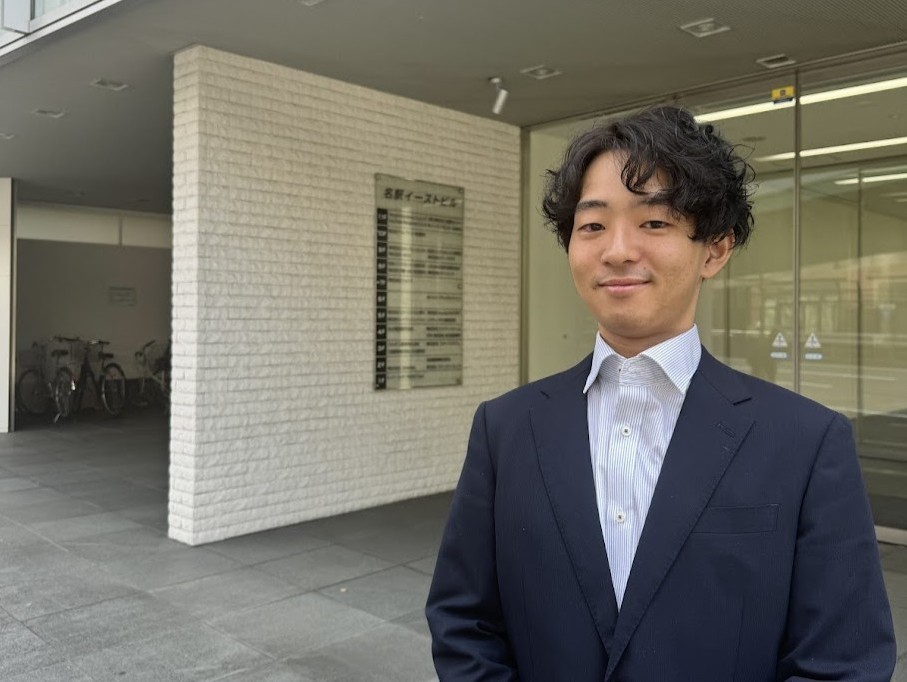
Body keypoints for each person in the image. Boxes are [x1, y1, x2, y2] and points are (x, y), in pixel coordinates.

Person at [425, 106, 895, 681]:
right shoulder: (504, 429)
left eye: (653, 222)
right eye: (592, 226)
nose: (617, 250)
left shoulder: (807, 441)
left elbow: (842, 660)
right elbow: (464, 621)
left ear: (715, 249)